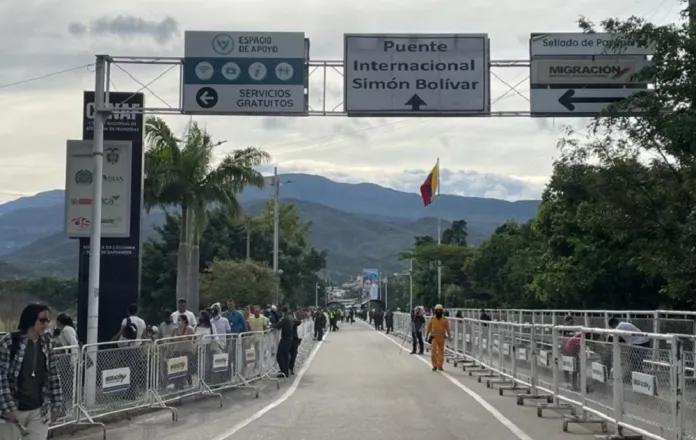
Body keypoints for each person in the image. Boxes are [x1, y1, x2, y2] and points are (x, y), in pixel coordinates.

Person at [0, 304, 63, 440]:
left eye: (48, 320)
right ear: (30, 319)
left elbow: (53, 374)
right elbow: (1, 378)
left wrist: (56, 404)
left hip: (39, 410)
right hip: (14, 408)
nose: (46, 324)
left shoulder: (46, 342)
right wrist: (7, 407)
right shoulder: (9, 342)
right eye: (42, 320)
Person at [425, 304, 450, 371]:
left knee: (441, 352)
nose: (438, 311)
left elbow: (448, 329)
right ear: (435, 311)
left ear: (442, 311)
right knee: (433, 352)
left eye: (440, 310)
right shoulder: (432, 319)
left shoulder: (445, 320)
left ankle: (440, 365)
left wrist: (449, 336)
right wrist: (426, 336)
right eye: (437, 310)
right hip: (434, 338)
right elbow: (428, 329)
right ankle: (434, 365)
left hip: (441, 338)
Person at [272, 307, 294, 378]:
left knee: (280, 355)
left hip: (285, 338)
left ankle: (284, 371)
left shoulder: (285, 318)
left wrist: (271, 325)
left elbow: (278, 326)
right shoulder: (291, 317)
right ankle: (285, 371)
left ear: (283, 311)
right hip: (289, 337)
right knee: (285, 355)